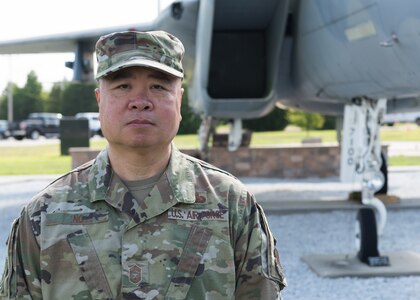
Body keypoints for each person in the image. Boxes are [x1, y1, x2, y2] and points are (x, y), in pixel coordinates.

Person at [0, 30, 286, 299]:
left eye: (158, 86)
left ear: (179, 100)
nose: (140, 101)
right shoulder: (45, 214)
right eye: (123, 86)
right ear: (99, 100)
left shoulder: (232, 204)